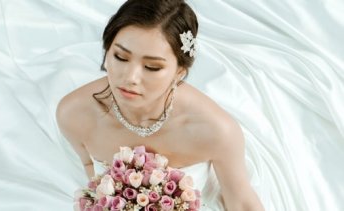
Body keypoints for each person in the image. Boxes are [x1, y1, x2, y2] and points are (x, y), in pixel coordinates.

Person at [56, 0, 264, 210]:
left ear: (179, 72)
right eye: (120, 57)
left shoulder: (216, 130)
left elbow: (241, 202)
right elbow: (90, 169)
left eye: (152, 67)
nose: (131, 77)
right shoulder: (74, 114)